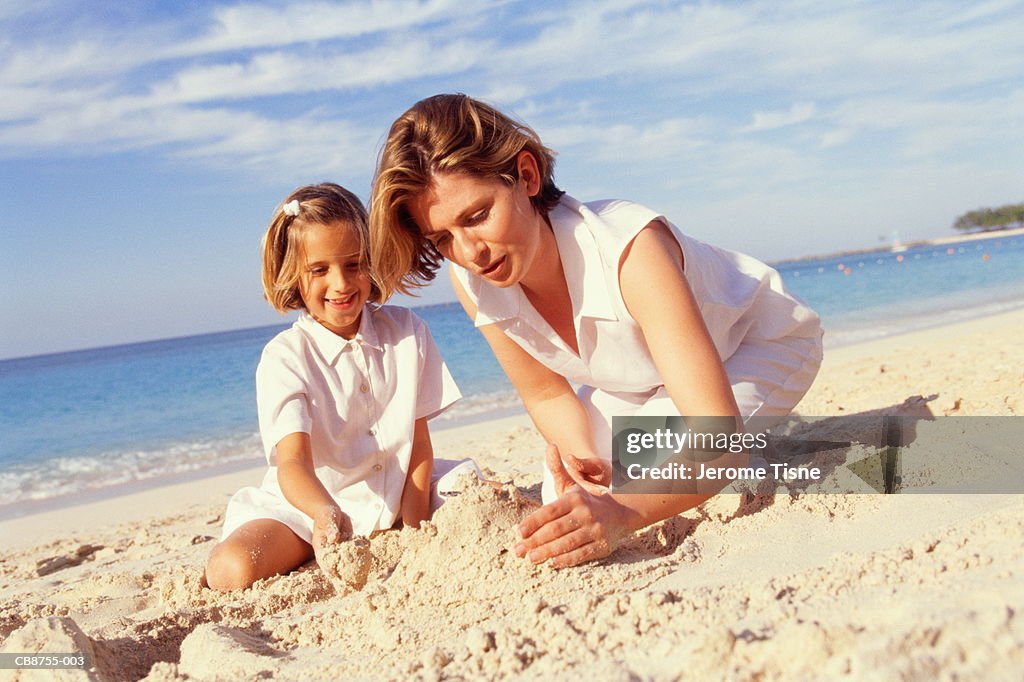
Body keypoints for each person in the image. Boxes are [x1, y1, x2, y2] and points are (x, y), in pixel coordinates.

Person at [369, 94, 823, 568]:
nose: (469, 253)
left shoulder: (632, 251)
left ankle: (824, 451)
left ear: (526, 176)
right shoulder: (473, 279)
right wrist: (581, 458)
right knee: (564, 494)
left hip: (757, 343)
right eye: (442, 238)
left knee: (648, 473)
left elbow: (718, 441)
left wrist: (623, 512)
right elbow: (547, 395)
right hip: (645, 382)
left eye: (477, 216)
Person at [205, 183, 469, 591]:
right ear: (293, 276)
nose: (341, 283)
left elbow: (418, 444)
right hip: (308, 506)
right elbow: (292, 463)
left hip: (400, 491)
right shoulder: (285, 357)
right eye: (319, 270)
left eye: (354, 264)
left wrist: (416, 529)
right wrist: (324, 513)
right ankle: (312, 544)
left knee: (472, 495)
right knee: (233, 568)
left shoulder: (407, 332)